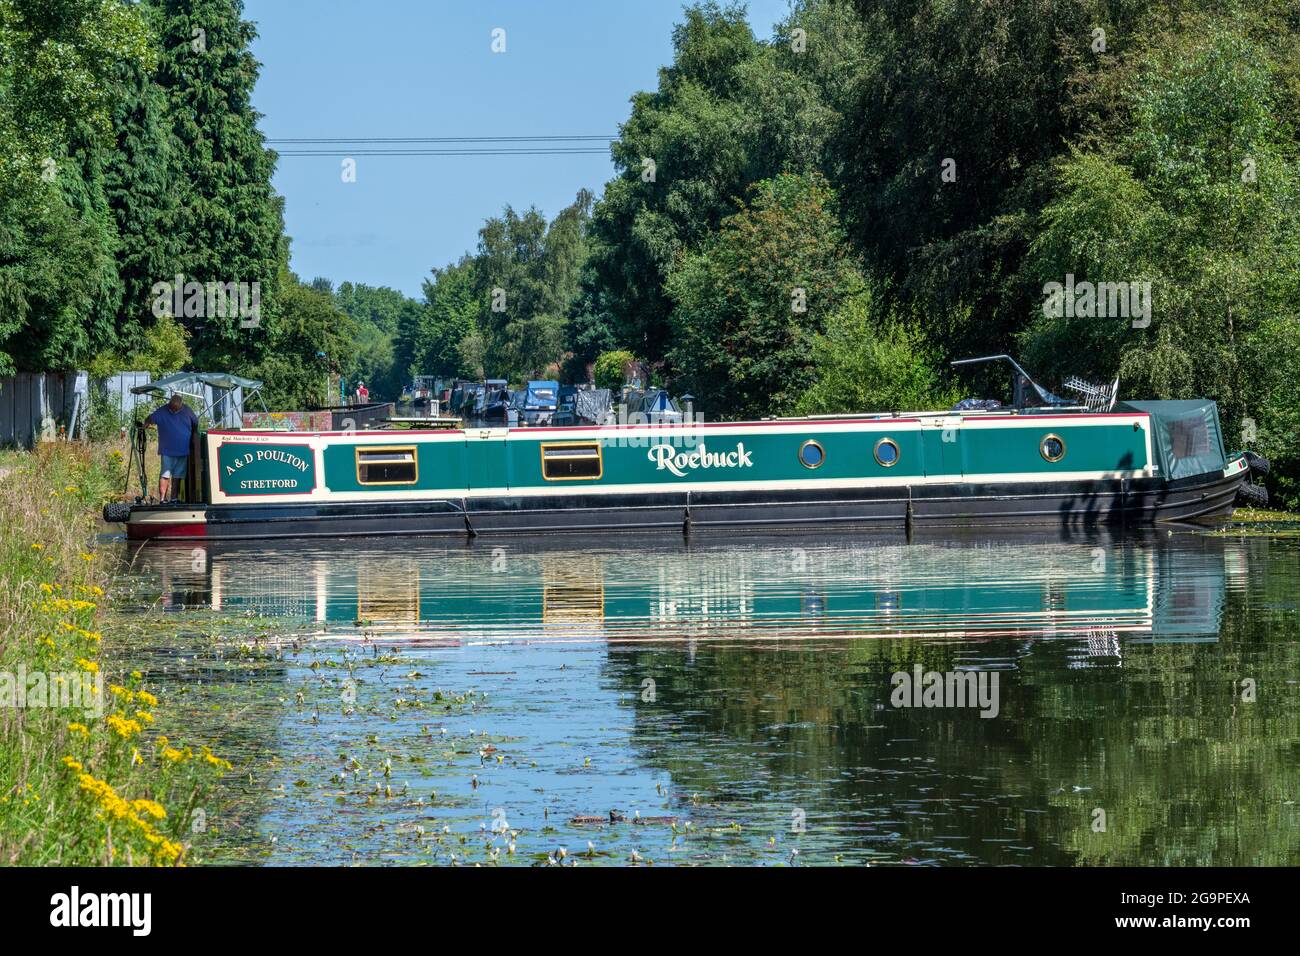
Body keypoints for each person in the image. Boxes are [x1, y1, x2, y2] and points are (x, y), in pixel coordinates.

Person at [145, 392, 199, 502]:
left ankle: (174, 498)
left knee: (177, 476)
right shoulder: (162, 411)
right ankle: (162, 499)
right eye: (173, 408)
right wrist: (146, 423)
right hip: (167, 450)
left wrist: (194, 437)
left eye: (177, 409)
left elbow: (196, 423)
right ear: (169, 404)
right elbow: (150, 418)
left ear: (181, 405)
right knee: (165, 475)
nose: (174, 411)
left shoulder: (187, 410)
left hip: (183, 450)